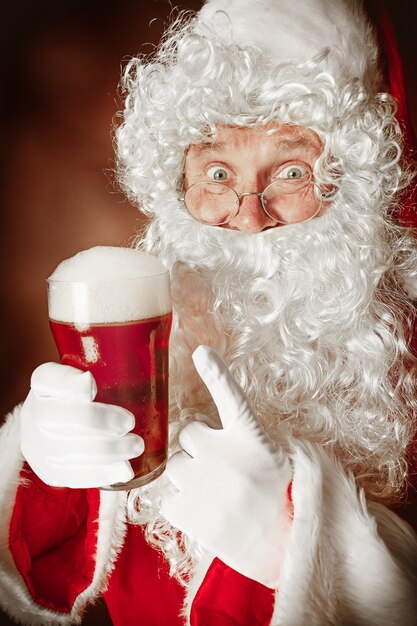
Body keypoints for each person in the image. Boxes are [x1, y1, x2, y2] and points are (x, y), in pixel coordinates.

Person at [1, 1, 417, 625]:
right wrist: (44, 469)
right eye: (218, 171)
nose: (249, 218)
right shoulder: (149, 333)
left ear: (353, 184)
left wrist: (305, 548)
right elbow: (62, 561)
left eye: (292, 170)